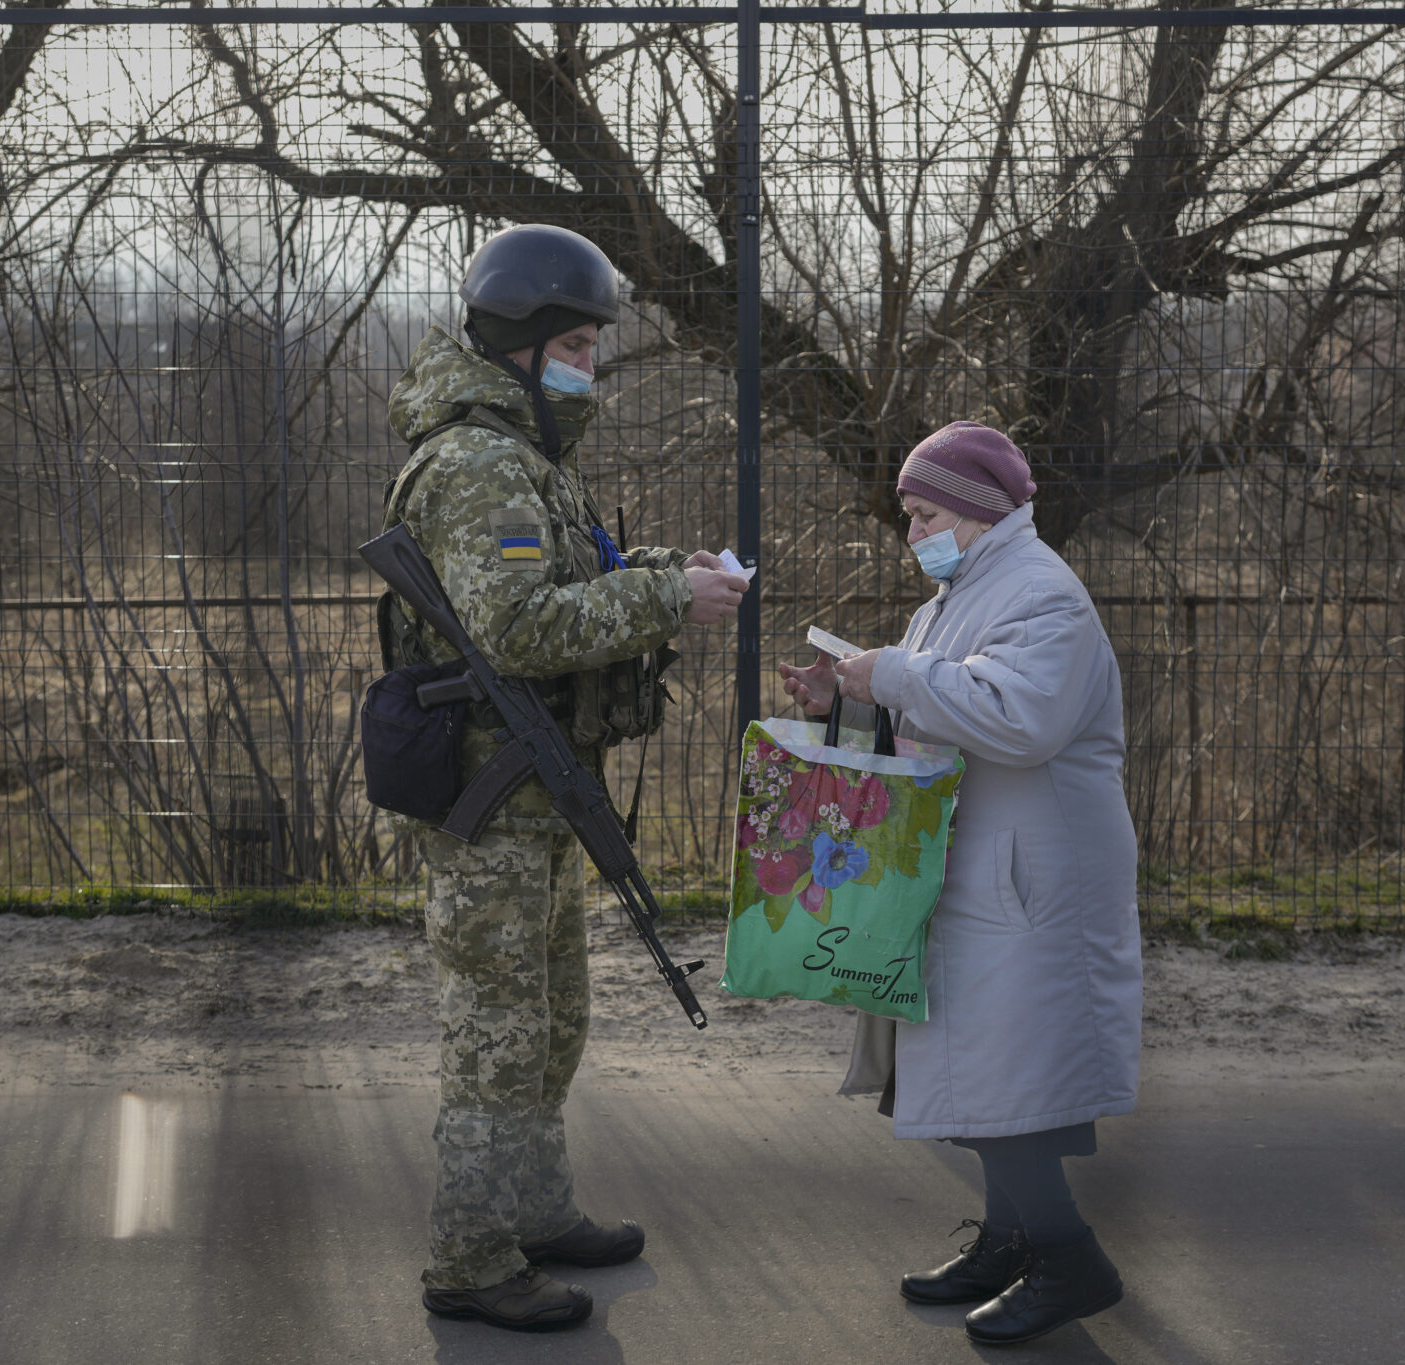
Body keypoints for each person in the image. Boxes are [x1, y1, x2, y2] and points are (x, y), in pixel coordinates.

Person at [382, 223, 749, 1331]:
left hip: (536, 802)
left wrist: (656, 573)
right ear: (522, 342)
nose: (589, 363)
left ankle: (532, 1214)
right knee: (497, 1036)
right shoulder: (479, 462)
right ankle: (469, 1260)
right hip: (491, 808)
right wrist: (666, 604)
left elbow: (573, 570)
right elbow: (517, 627)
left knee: (552, 1022)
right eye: (578, 343)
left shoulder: (527, 456)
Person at [778, 420, 1141, 1347]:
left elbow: (1019, 719)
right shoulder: (963, 593)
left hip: (1033, 884)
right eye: (907, 514)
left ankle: (1069, 1262)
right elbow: (943, 710)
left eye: (927, 511)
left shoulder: (1044, 596)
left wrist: (891, 672)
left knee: (1004, 1075)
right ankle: (1011, 1239)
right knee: (982, 1067)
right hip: (988, 869)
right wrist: (850, 697)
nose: (914, 532)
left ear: (981, 512)